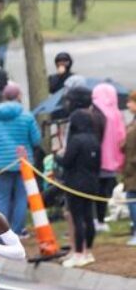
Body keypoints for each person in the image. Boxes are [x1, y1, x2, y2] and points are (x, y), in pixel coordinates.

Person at [0, 82, 41, 235]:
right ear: (19, 96)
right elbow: (36, 140)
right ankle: (17, 230)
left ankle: (2, 231)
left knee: (2, 197)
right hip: (23, 162)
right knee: (21, 197)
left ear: (3, 96)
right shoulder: (27, 116)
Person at [57, 109, 100, 269]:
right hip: (91, 183)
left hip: (75, 184)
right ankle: (88, 252)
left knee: (77, 219)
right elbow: (97, 164)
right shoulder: (94, 140)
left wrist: (58, 156)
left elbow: (67, 162)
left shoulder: (75, 140)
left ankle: (78, 254)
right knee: (89, 218)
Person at [91, 83, 126, 233]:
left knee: (92, 190)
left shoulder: (94, 112)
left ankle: (93, 219)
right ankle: (100, 219)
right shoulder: (117, 113)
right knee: (104, 191)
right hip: (111, 160)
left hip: (95, 159)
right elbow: (121, 136)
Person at [122, 90, 136, 247]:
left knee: (132, 199)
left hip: (133, 168)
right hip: (131, 167)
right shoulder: (132, 122)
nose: (128, 105)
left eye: (131, 102)